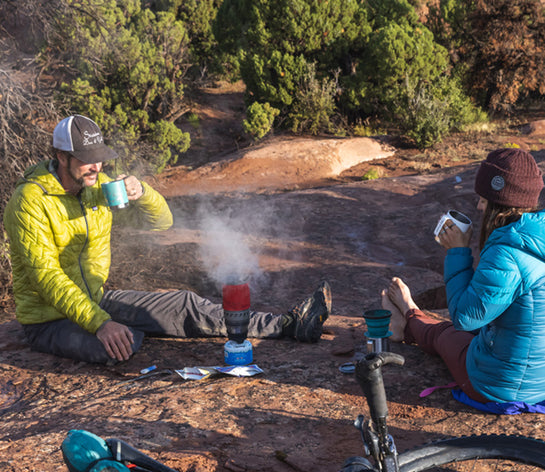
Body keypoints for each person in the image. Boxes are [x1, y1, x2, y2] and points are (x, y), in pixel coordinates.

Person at [3, 115, 331, 364]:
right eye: (87, 158)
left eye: (99, 156)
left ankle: (289, 325)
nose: (97, 165)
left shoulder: (97, 186)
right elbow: (46, 277)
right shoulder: (30, 200)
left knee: (185, 304)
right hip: (48, 320)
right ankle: (143, 328)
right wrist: (102, 323)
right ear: (61, 156)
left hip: (97, 299)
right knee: (121, 345)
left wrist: (142, 193)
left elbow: (161, 223)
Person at [382, 147, 545, 405]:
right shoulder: (536, 237)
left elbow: (465, 318)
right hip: (541, 381)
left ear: (499, 202)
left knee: (444, 334)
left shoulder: (508, 254)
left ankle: (408, 317)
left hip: (500, 386)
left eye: (484, 199)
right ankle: (410, 318)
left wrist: (457, 251)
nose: (479, 206)